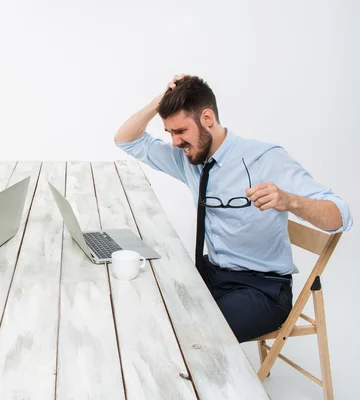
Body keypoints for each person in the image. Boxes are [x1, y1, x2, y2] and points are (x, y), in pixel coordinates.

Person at [114, 75, 352, 342]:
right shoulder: (189, 158)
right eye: (170, 133)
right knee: (141, 299)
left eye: (180, 131)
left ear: (207, 119)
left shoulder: (265, 158)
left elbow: (341, 216)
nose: (175, 142)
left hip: (262, 289)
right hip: (212, 273)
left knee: (195, 336)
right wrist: (157, 104)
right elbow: (126, 140)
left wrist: (289, 200)